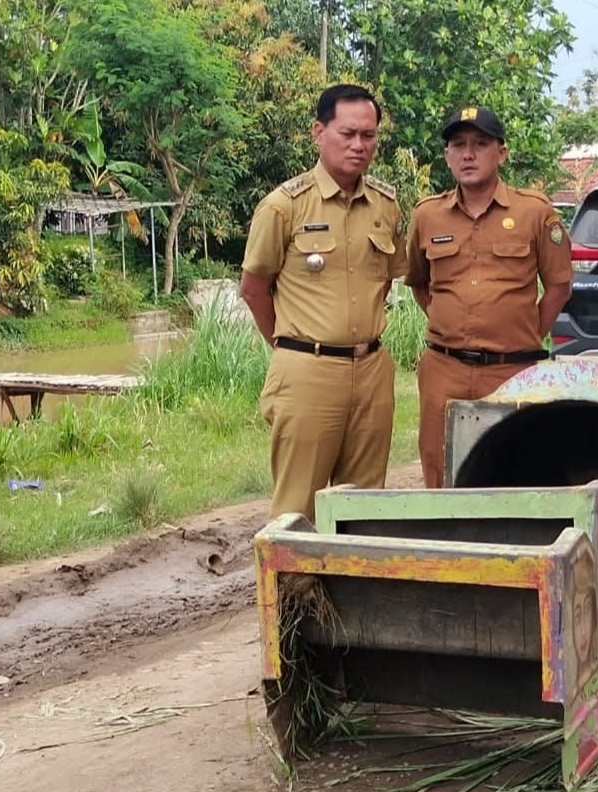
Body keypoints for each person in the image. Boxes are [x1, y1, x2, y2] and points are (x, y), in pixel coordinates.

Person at [240, 84, 407, 520]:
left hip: (371, 372)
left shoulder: (386, 206)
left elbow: (385, 281)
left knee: (364, 509)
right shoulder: (284, 206)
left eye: (368, 135)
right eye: (347, 133)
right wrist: (290, 347)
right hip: (307, 371)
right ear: (319, 132)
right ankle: (293, 571)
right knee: (298, 509)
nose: (359, 145)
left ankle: (352, 569)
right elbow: (254, 288)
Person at [405, 106, 573, 488]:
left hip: (512, 370)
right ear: (447, 155)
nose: (468, 154)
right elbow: (418, 282)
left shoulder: (534, 212)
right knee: (440, 470)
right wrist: (448, 324)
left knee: (516, 470)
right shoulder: (427, 215)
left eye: (480, 144)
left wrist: (524, 333)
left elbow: (559, 287)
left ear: (502, 153)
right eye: (458, 145)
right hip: (444, 369)